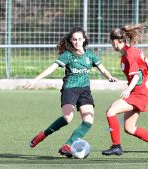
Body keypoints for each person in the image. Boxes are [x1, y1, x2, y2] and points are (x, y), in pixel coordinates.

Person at [24, 27, 116, 158]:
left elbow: (103, 69)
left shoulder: (90, 55)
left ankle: (67, 146)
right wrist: (35, 80)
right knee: (67, 118)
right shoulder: (68, 55)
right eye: (74, 39)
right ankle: (43, 134)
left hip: (85, 90)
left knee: (88, 121)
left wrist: (109, 77)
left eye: (79, 39)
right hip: (70, 89)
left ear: (84, 40)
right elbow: (52, 68)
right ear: (71, 41)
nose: (77, 41)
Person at [101, 24, 148, 159]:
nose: (111, 45)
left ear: (115, 41)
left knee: (110, 112)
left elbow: (136, 76)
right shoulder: (131, 51)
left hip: (139, 94)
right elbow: (144, 57)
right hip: (137, 93)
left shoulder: (129, 54)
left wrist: (128, 89)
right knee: (129, 128)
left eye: (110, 42)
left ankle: (116, 146)